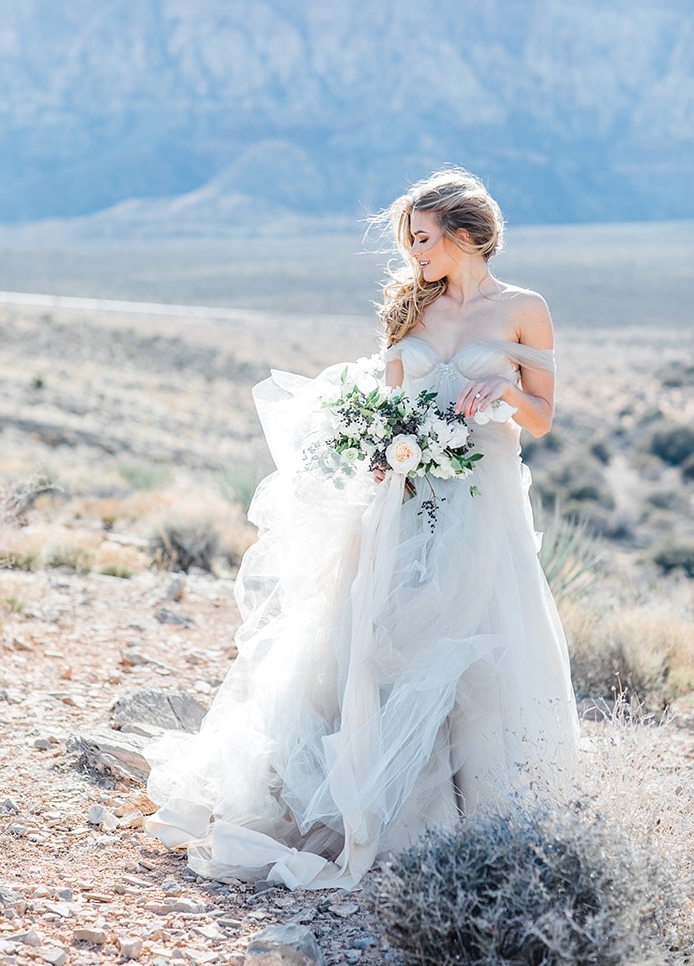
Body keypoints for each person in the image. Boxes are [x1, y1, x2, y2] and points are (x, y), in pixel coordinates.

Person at [145, 167, 580, 891]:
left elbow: (542, 417)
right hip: (404, 499)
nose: (415, 254)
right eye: (410, 241)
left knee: (473, 644)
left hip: (483, 502)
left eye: (424, 238)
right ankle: (387, 810)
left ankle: (482, 817)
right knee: (385, 639)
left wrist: (503, 389)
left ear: (467, 234)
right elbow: (389, 402)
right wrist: (380, 452)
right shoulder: (410, 309)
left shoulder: (525, 308)